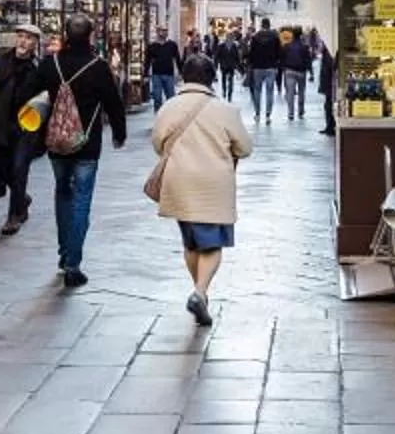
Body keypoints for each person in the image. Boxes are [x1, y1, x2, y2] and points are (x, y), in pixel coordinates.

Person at [151, 52, 252, 325]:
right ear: (212, 79)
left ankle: (200, 294)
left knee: (191, 242)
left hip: (180, 182)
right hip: (213, 185)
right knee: (212, 244)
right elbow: (245, 148)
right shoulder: (226, 111)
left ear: (183, 76)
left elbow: (158, 143)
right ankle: (200, 291)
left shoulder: (168, 107)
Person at [37, 17, 129, 288]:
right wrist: (119, 134)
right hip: (87, 144)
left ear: (65, 34)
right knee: (82, 200)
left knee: (62, 191)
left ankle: (64, 252)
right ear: (91, 35)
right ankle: (73, 264)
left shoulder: (50, 64)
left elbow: (30, 94)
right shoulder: (98, 67)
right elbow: (114, 102)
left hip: (56, 142)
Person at [0, 26, 47, 235]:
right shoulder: (3, 61)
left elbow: (45, 99)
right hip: (2, 124)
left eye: (28, 38)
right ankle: (22, 199)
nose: (22, 41)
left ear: (35, 43)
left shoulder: (38, 67)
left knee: (19, 169)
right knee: (3, 167)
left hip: (26, 126)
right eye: (20, 36)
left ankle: (13, 217)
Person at [244, 24, 285, 126]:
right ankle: (268, 114)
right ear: (269, 25)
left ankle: (257, 113)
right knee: (270, 91)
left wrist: (250, 63)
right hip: (271, 67)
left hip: (257, 67)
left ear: (262, 25)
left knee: (257, 90)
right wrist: (277, 65)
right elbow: (279, 52)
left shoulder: (255, 37)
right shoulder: (275, 37)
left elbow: (251, 53)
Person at [279, 26, 312, 124]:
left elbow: (282, 59)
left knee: (290, 92)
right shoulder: (305, 46)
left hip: (289, 71)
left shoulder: (286, 46)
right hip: (301, 72)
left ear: (292, 34)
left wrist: (283, 69)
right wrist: (311, 72)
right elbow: (308, 60)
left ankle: (291, 113)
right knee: (301, 92)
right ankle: (301, 112)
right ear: (301, 34)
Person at [144, 28, 182, 111]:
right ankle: (158, 113)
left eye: (165, 31)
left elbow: (177, 58)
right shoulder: (152, 45)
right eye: (161, 31)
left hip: (169, 74)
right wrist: (145, 74)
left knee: (171, 96)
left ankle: (170, 113)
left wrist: (181, 72)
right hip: (156, 74)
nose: (164, 33)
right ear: (157, 32)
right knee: (157, 97)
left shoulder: (172, 45)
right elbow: (147, 60)